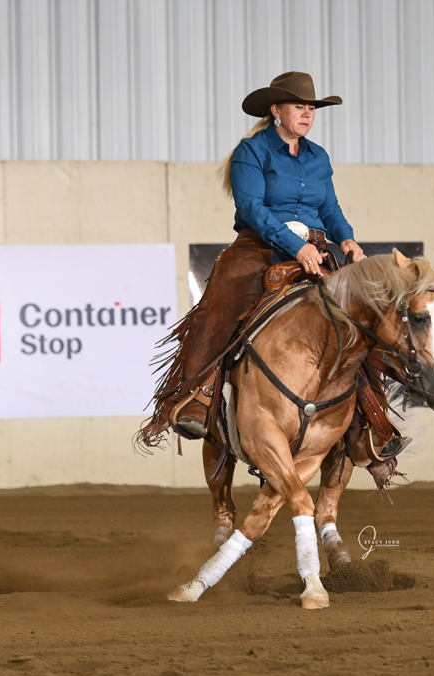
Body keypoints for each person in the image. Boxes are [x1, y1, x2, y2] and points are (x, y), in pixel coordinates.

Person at [140, 71, 366, 444]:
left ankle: (366, 422)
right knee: (221, 306)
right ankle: (197, 397)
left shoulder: (319, 157)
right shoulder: (252, 151)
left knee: (362, 321)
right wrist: (297, 248)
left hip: (316, 249)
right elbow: (252, 208)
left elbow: (331, 208)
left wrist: (348, 240)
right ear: (276, 110)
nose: (307, 114)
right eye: (299, 107)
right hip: (259, 247)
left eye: (311, 108)